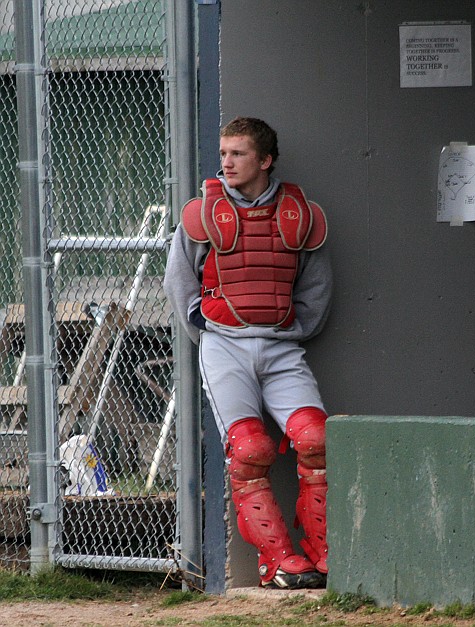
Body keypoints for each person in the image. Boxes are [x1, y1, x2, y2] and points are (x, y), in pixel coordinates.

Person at [164, 117, 332, 589]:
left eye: (238, 153)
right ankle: (276, 560)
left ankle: (326, 553)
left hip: (282, 348)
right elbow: (180, 282)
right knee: (250, 448)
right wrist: (210, 329)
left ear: (265, 160)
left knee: (317, 440)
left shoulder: (300, 212)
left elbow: (317, 289)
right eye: (223, 153)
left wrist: (291, 329)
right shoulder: (202, 212)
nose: (226, 162)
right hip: (225, 346)